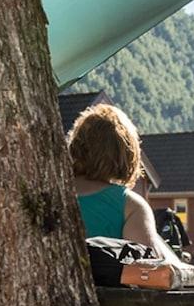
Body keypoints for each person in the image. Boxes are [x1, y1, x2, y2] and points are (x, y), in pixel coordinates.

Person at [68, 103, 183, 264]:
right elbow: (148, 268)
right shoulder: (131, 206)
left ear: (75, 146)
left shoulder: (48, 195)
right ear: (127, 153)